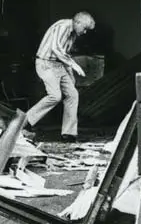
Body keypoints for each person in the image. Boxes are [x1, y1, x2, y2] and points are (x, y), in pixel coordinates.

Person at [25, 12, 95, 143]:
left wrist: (70, 74)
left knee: (73, 94)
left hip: (58, 65)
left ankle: (69, 134)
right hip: (46, 63)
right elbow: (56, 48)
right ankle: (26, 120)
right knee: (55, 96)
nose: (85, 32)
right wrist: (75, 66)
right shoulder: (63, 26)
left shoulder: (73, 34)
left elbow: (65, 55)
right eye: (84, 29)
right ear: (77, 23)